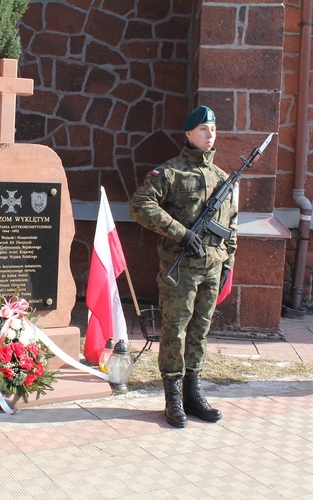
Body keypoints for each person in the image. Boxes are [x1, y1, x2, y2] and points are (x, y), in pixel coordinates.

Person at [129, 105, 236, 428]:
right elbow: (139, 204)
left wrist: (229, 261)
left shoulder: (221, 178)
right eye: (203, 129)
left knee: (199, 331)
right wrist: (180, 232)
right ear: (188, 134)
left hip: (212, 268)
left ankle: (193, 393)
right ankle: (173, 398)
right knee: (175, 330)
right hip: (182, 269)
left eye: (213, 129)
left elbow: (231, 224)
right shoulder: (170, 173)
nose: (210, 134)